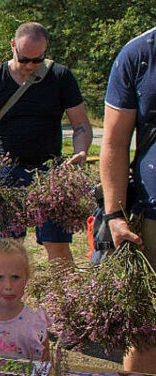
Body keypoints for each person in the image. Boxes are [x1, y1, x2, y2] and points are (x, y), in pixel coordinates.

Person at [0, 22, 93, 262]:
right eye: (24, 59)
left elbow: (81, 124)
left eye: (37, 60)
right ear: (12, 46)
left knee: (58, 248)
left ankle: (63, 299)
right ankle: (7, 300)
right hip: (7, 174)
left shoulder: (61, 77)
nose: (30, 66)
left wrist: (81, 151)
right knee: (8, 248)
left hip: (51, 174)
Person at [100, 26, 156, 373]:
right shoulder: (139, 54)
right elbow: (114, 142)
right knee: (146, 328)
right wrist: (115, 215)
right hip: (153, 213)